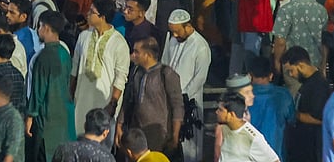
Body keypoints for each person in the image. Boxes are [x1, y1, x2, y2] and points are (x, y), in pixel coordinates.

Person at [71, 0, 129, 138]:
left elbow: (120, 78)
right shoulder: (83, 36)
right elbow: (75, 67)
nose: (87, 14)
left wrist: (112, 104)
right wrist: (71, 89)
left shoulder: (119, 43)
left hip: (105, 101)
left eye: (91, 12)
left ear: (102, 17)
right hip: (82, 97)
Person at [118, 37, 182, 155]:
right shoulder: (136, 72)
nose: (133, 55)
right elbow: (128, 101)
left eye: (137, 52)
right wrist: (119, 124)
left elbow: (177, 106)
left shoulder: (166, 74)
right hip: (137, 134)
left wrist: (175, 136)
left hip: (159, 135)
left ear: (147, 55)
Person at [27, 12, 77, 162]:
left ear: (46, 28)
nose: (38, 30)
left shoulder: (43, 57)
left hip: (47, 118)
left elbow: (38, 91)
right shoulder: (65, 52)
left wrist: (30, 116)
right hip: (64, 115)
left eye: (40, 26)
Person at [163, 10, 210, 162]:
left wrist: (184, 98)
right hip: (170, 99)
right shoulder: (172, 40)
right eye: (172, 32)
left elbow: (200, 78)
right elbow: (165, 64)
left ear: (188, 26)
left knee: (190, 144)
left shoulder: (201, 46)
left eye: (177, 31)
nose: (175, 35)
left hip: (189, 102)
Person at [215, 91, 280, 162]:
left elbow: (274, 160)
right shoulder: (225, 127)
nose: (217, 112)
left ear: (231, 115)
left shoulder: (253, 138)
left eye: (220, 110)